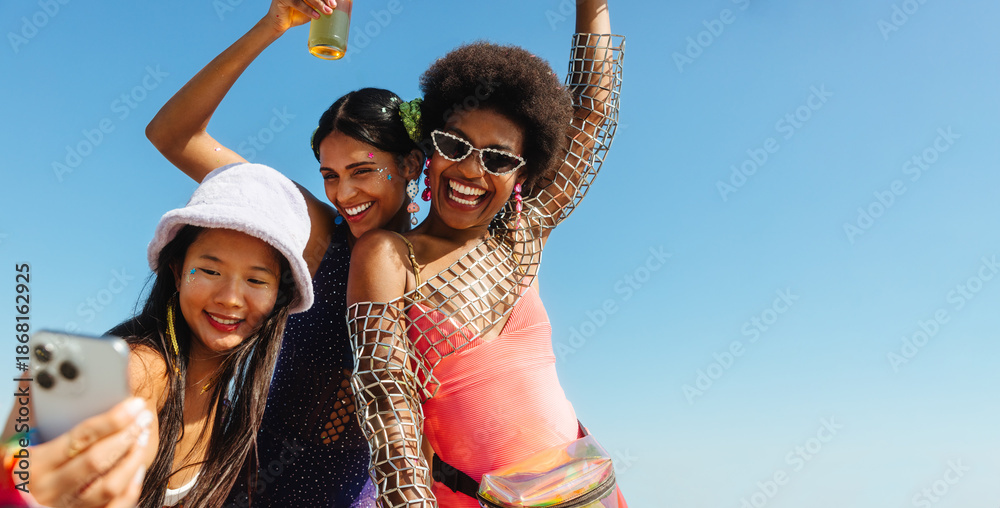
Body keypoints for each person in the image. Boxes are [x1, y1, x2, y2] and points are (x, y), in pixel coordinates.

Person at [345, 1, 625, 506]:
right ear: (429, 150)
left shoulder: (522, 236)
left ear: (523, 174)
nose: (472, 170)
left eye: (497, 158)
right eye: (454, 145)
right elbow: (388, 402)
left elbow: (594, 110)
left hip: (587, 492)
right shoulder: (388, 256)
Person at [145, 1, 422, 505]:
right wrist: (272, 25)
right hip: (252, 487)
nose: (344, 194)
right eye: (330, 176)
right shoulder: (316, 232)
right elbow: (172, 135)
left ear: (411, 165)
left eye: (363, 171)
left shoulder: (441, 260)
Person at [2, 162, 315, 508]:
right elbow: (27, 472)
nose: (230, 298)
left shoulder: (226, 409)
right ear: (178, 273)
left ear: (278, 297)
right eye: (210, 270)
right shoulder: (137, 373)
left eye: (256, 280)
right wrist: (17, 490)